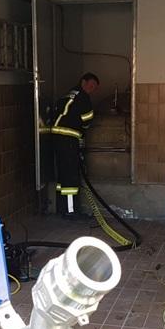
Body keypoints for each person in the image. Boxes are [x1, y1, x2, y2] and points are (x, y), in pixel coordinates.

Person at [51, 72, 98, 219]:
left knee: (63, 174)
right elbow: (87, 120)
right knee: (71, 176)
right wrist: (83, 132)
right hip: (68, 138)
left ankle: (61, 207)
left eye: (94, 88)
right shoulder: (83, 98)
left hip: (56, 137)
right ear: (83, 82)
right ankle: (71, 211)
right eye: (91, 85)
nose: (92, 89)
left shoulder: (69, 94)